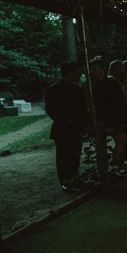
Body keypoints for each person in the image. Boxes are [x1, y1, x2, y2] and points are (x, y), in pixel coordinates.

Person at [44, 62, 88, 191]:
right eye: (77, 72)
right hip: (64, 128)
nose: (79, 74)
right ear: (70, 73)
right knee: (65, 155)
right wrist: (69, 121)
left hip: (70, 128)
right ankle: (67, 180)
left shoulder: (75, 89)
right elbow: (52, 110)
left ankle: (72, 178)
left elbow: (82, 110)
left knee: (73, 155)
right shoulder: (56, 90)